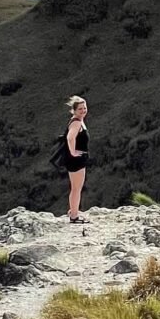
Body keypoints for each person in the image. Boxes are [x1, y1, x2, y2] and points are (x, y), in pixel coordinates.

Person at [64, 94, 90, 224]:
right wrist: (73, 152)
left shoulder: (77, 120)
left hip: (76, 159)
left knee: (75, 187)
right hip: (76, 160)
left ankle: (73, 210)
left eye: (84, 108)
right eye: (80, 109)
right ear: (74, 110)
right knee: (76, 188)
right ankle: (74, 216)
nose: (83, 111)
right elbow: (70, 137)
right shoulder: (77, 123)